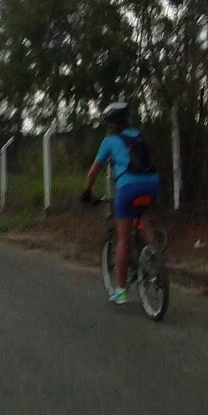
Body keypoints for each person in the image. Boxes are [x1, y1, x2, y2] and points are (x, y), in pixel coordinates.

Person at [79, 102, 161, 305]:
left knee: (123, 238)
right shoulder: (138, 135)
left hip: (128, 188)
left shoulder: (110, 141)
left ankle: (121, 291)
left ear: (111, 123)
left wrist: (87, 192)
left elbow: (93, 172)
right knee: (142, 218)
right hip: (152, 184)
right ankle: (155, 256)